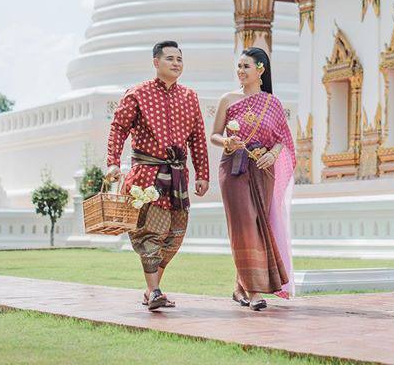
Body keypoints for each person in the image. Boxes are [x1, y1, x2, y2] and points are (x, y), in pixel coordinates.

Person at [105, 40, 209, 311]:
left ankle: (151, 290)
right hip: (147, 177)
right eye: (170, 58)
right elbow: (118, 129)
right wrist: (112, 163)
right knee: (151, 234)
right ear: (156, 62)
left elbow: (198, 137)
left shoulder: (190, 96)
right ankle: (154, 291)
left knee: (174, 236)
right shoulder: (137, 93)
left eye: (179, 59)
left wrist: (202, 174)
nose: (176, 63)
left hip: (178, 177)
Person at [210, 47, 296, 311]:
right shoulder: (228, 99)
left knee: (259, 225)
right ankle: (255, 291)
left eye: (246, 66)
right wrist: (227, 141)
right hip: (234, 168)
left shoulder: (273, 103)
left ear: (261, 70)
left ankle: (240, 288)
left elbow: (282, 138)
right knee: (244, 226)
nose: (240, 71)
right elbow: (214, 135)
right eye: (238, 66)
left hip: (263, 169)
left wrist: (272, 154)